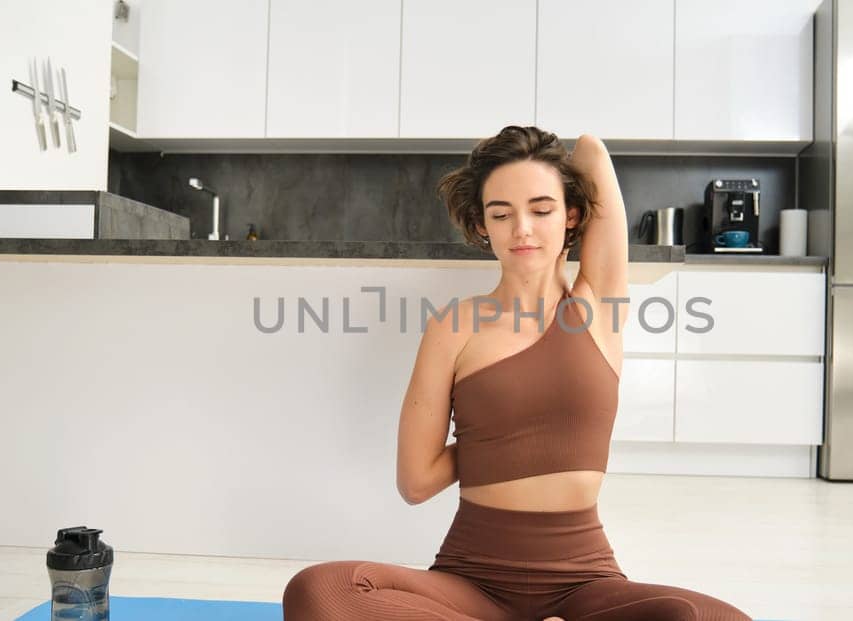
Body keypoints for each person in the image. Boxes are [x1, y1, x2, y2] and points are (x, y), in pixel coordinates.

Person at [283, 126, 752, 620]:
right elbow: (415, 482)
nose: (521, 228)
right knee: (323, 589)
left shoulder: (600, 306)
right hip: (471, 579)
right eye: (500, 213)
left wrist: (532, 154)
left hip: (584, 581)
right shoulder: (454, 327)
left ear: (571, 216)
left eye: (541, 209)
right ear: (482, 226)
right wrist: (499, 437)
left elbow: (592, 150)